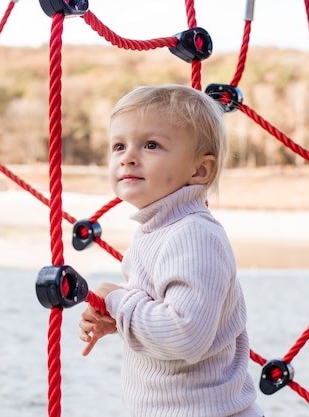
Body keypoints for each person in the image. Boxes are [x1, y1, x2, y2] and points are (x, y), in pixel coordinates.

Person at [78, 84, 264, 417]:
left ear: (200, 170)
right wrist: (118, 321)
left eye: (151, 145)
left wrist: (118, 301)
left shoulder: (193, 234)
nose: (128, 156)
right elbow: (164, 323)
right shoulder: (158, 231)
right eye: (118, 146)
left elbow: (185, 334)